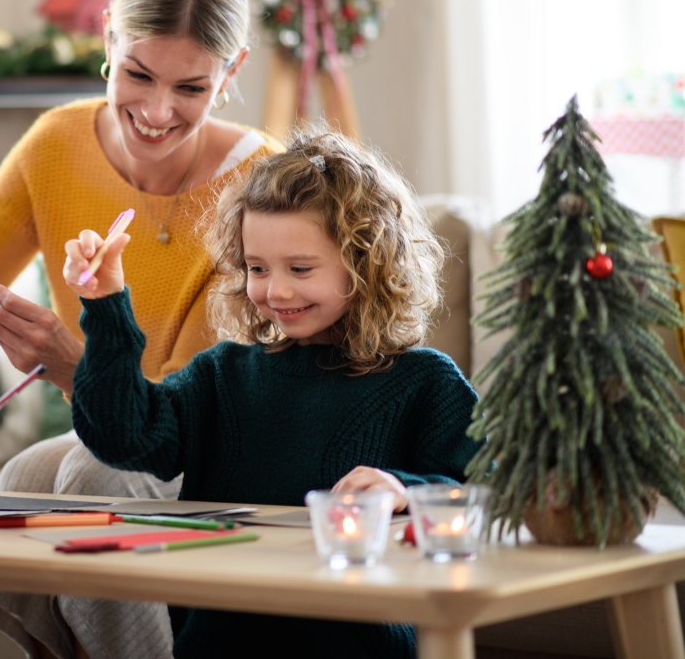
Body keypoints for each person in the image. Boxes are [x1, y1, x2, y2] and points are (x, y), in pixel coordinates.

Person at [0, 0, 277, 658]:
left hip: (216, 441)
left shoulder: (259, 183)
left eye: (190, 88)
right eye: (138, 74)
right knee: (25, 476)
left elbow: (189, 413)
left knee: (93, 472)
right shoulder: (56, 146)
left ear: (232, 72)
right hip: (116, 427)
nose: (157, 111)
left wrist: (76, 367)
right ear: (107, 40)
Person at [63, 129, 481, 659]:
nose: (275, 290)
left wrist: (404, 489)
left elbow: (481, 492)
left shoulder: (426, 382)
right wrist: (105, 305)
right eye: (257, 268)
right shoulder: (221, 375)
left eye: (300, 269)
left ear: (366, 261)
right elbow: (124, 437)